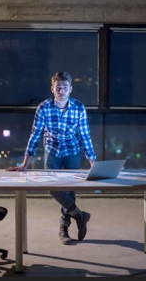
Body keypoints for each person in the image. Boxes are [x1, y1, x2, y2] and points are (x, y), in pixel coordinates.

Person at [7, 71, 96, 245]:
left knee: (69, 191)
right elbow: (35, 135)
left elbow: (85, 136)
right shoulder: (44, 107)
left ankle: (64, 229)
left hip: (72, 151)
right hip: (52, 151)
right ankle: (79, 215)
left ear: (70, 89)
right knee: (53, 187)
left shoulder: (79, 107)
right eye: (58, 88)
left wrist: (93, 163)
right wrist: (25, 163)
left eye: (64, 88)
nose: (61, 91)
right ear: (52, 88)